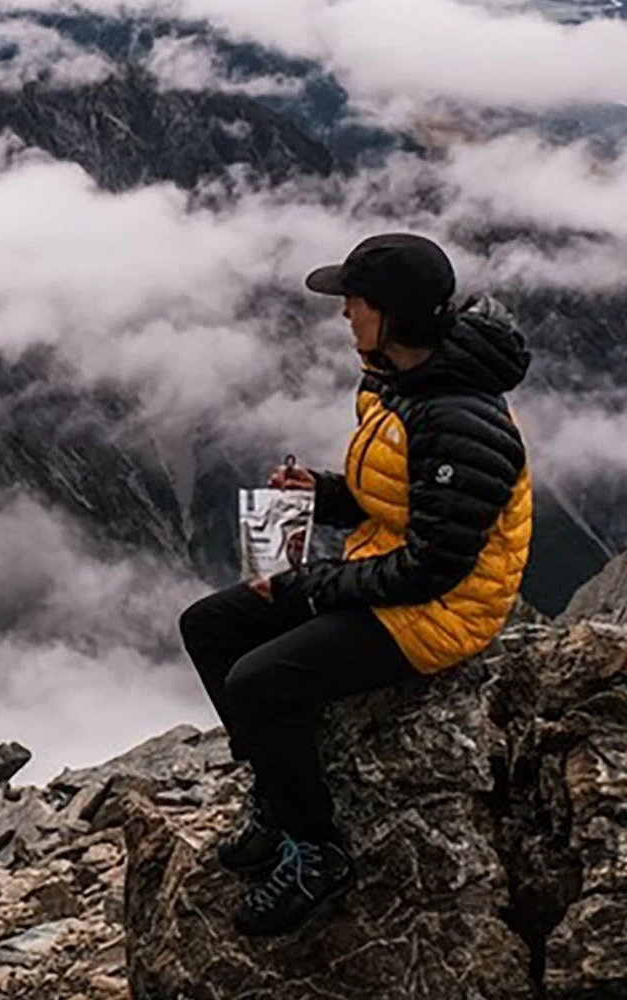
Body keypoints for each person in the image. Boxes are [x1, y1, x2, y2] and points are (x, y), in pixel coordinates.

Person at [179, 233, 532, 938]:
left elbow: (436, 566)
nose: (345, 314)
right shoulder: (394, 381)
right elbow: (392, 499)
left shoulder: (461, 419)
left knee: (259, 682)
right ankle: (275, 791)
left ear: (392, 314)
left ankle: (316, 849)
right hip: (392, 571)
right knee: (208, 625)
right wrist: (322, 494)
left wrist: (315, 587)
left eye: (355, 301)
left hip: (445, 608)